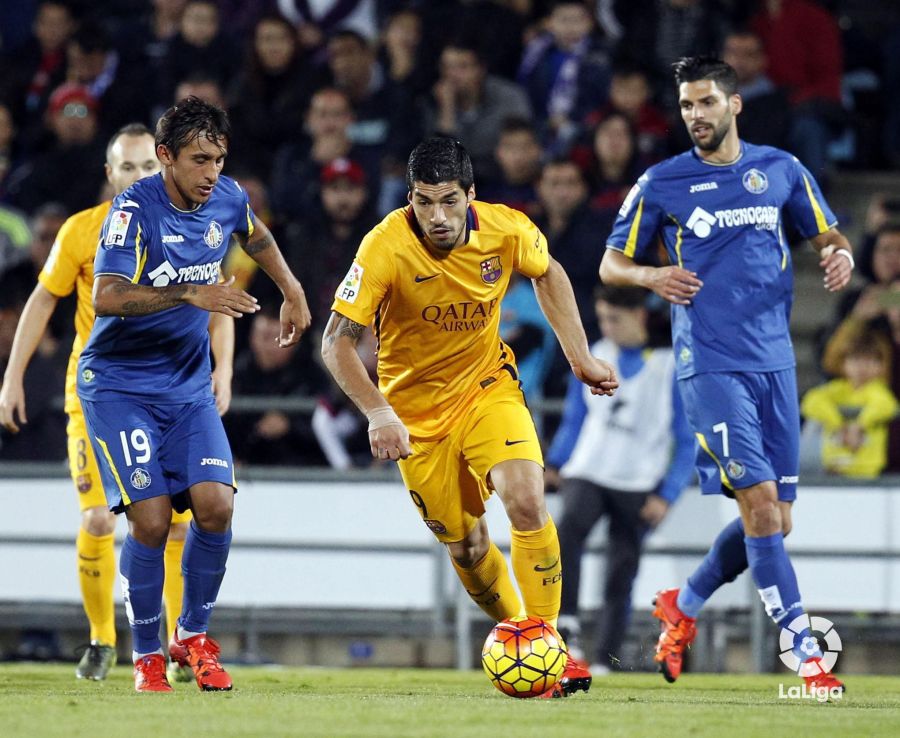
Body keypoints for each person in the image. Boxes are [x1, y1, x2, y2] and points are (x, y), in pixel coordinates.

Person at [320, 136, 618, 698]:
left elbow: (549, 271)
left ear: (470, 195)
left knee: (527, 500)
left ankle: (546, 646)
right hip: (414, 420)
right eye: (424, 202)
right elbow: (336, 343)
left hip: (487, 390)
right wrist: (379, 412)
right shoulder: (383, 245)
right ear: (409, 198)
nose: (436, 216)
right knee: (469, 547)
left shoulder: (505, 228)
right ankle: (516, 629)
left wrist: (580, 357)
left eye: (449, 201)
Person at [599, 56, 853, 693]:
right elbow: (610, 264)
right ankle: (805, 652)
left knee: (775, 520)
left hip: (776, 363)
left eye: (706, 102)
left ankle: (680, 606)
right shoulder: (662, 181)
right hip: (709, 364)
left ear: (734, 104)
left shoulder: (782, 170)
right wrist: (650, 274)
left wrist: (840, 255)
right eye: (686, 106)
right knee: (762, 507)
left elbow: (827, 235)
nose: (695, 116)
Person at [74, 97, 311, 693]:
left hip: (186, 386)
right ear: (165, 158)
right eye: (199, 159)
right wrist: (188, 293)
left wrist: (292, 288)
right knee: (151, 522)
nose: (211, 172)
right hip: (120, 385)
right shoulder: (131, 211)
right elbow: (106, 296)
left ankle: (195, 636)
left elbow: (255, 237)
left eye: (219, 158)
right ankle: (147, 655)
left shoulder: (227, 197)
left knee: (217, 506)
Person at [0, 122, 233, 683]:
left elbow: (216, 296)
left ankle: (179, 642)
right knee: (101, 518)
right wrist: (12, 378)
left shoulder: (188, 223)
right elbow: (42, 301)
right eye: (125, 168)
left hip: (174, 391)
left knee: (176, 523)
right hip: (100, 396)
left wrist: (223, 370)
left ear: (164, 168)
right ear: (110, 175)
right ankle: (103, 640)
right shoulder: (82, 232)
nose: (136, 177)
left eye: (146, 168)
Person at [546, 285, 693, 673]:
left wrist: (668, 492)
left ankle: (605, 659)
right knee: (567, 532)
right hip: (589, 470)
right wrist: (556, 462)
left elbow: (686, 437)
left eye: (616, 319)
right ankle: (568, 626)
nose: (607, 327)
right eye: (603, 318)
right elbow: (576, 416)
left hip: (639, 481)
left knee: (621, 572)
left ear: (641, 316)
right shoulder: (597, 352)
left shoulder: (670, 365)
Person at [802, 328, 898, 479]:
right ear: (843, 363)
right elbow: (811, 401)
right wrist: (839, 425)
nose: (862, 367)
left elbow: (886, 405)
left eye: (870, 360)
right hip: (834, 469)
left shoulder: (877, 391)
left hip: (868, 474)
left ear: (882, 365)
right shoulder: (837, 389)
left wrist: (859, 426)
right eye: (856, 360)